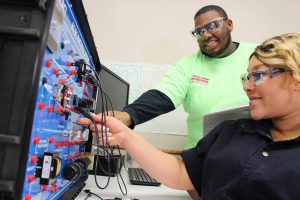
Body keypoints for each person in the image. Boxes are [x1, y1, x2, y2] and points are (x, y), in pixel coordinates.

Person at [78, 33, 300, 200]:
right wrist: (126, 136)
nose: (247, 87)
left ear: (296, 78)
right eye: (247, 77)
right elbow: (181, 173)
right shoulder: (232, 131)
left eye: (259, 75)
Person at [110, 5, 257, 151]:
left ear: (229, 24)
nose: (205, 35)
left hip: (252, 154)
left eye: (212, 26)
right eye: (199, 32)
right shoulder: (186, 66)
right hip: (201, 157)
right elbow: (163, 96)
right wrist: (128, 115)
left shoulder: (258, 54)